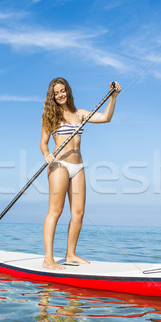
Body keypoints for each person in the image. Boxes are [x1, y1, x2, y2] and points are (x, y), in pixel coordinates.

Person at [39, 78, 121, 270]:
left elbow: (105, 118)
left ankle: (70, 254)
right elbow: (43, 142)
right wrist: (46, 154)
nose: (60, 95)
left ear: (68, 91)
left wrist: (114, 97)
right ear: (52, 96)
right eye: (56, 93)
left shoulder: (80, 113)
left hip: (78, 166)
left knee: (78, 213)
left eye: (62, 91)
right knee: (56, 211)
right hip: (59, 165)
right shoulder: (51, 116)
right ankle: (48, 259)